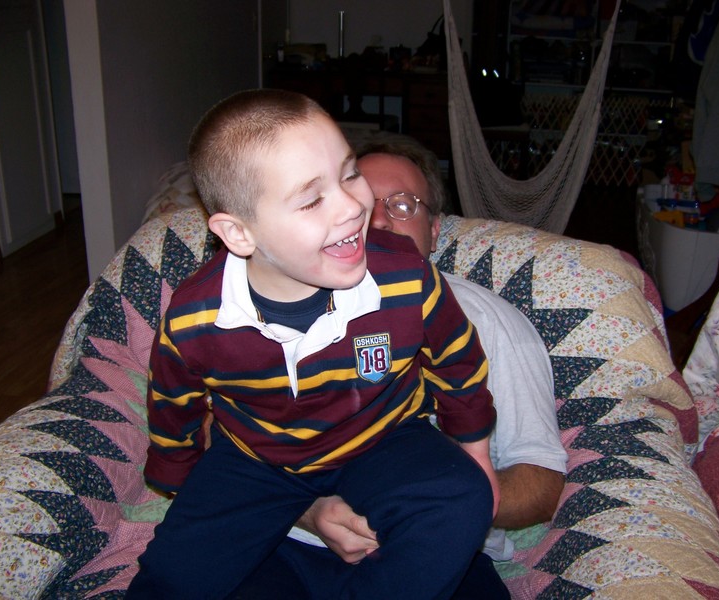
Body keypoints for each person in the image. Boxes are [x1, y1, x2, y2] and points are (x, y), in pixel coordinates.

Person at [126, 90, 500, 600]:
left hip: (383, 438)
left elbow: (459, 361)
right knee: (173, 576)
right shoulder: (194, 318)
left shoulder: (406, 277)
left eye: (349, 174)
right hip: (256, 459)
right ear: (238, 233)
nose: (354, 206)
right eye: (311, 199)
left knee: (462, 497)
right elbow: (173, 407)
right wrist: (179, 481)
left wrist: (475, 450)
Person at [234, 134, 568, 598]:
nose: (377, 219)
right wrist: (306, 509)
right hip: (290, 543)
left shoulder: (490, 321)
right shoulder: (275, 308)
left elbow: (542, 483)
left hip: (444, 553)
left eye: (404, 205)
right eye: (360, 201)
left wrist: (430, 508)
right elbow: (220, 437)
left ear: (435, 230)